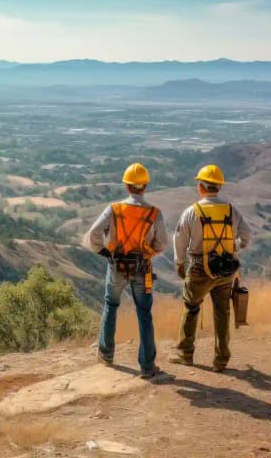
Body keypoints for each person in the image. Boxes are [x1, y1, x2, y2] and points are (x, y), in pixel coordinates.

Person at [85, 162, 168, 378]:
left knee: (111, 306)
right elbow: (162, 245)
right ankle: (148, 367)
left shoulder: (114, 210)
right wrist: (147, 253)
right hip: (142, 269)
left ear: (126, 186)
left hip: (116, 267)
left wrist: (105, 252)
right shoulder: (154, 213)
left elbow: (93, 234)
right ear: (145, 186)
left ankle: (106, 354)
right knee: (144, 314)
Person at [169, 164, 251, 372]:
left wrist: (179, 263)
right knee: (222, 312)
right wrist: (234, 248)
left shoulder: (192, 211)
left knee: (191, 307)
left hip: (199, 268)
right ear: (219, 187)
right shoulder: (231, 210)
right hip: (226, 270)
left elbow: (179, 240)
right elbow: (246, 237)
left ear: (201, 187)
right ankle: (221, 359)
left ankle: (185, 353)